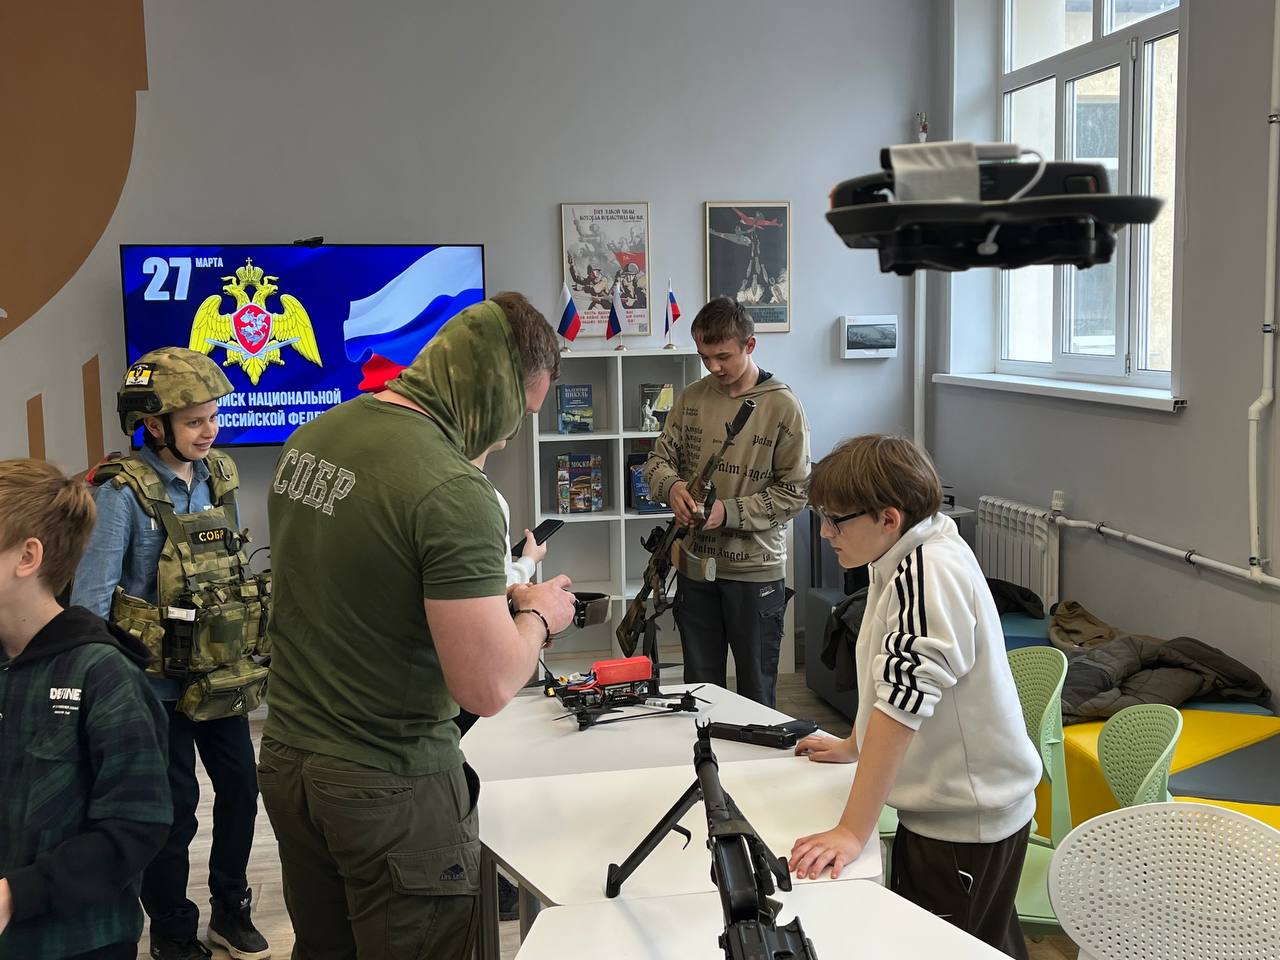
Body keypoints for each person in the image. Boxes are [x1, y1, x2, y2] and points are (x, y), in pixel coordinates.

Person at [259, 293, 576, 959]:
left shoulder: (315, 437)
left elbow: (360, 588)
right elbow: (486, 686)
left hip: (291, 761)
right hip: (389, 783)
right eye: (518, 412)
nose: (508, 436)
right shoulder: (452, 490)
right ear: (494, 386)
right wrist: (538, 615)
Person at [788, 435, 1043, 959]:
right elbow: (886, 675)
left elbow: (902, 702)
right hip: (956, 810)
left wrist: (851, 831)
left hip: (964, 824)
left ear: (888, 518)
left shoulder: (926, 573)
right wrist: (854, 744)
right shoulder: (909, 549)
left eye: (835, 520)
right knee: (986, 938)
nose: (825, 532)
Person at [71, 348, 270, 960]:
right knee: (174, 808)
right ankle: (173, 928)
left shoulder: (220, 477)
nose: (209, 431)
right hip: (153, 686)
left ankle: (230, 908)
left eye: (213, 417)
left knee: (241, 791)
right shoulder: (120, 493)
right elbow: (91, 599)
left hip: (220, 675)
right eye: (194, 421)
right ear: (154, 425)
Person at [0, 458, 172, 960]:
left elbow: (136, 825)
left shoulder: (104, 676)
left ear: (27, 556)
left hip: (78, 943)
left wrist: (16, 895)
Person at [642, 297, 810, 707]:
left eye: (723, 356)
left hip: (755, 571)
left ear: (750, 345)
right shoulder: (692, 398)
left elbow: (796, 492)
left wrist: (727, 512)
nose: (713, 367)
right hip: (694, 566)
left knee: (756, 694)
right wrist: (673, 488)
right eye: (704, 357)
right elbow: (656, 462)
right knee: (699, 693)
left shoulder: (783, 406)